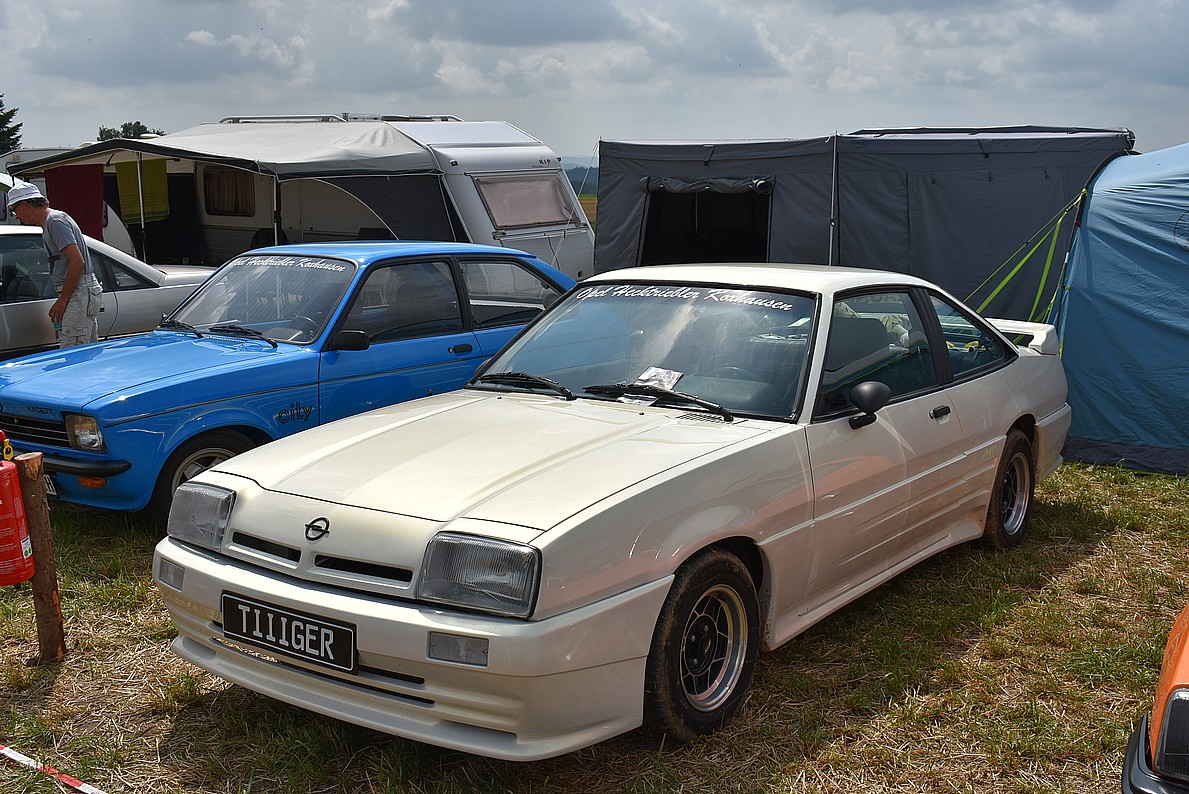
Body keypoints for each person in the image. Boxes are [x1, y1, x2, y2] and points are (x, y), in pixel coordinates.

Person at [6, 182, 103, 347]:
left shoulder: (55, 221)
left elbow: (77, 261)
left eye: (14, 210)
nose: (16, 216)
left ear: (25, 204)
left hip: (78, 290)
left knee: (72, 351)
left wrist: (63, 300)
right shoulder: (51, 221)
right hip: (78, 290)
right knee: (85, 351)